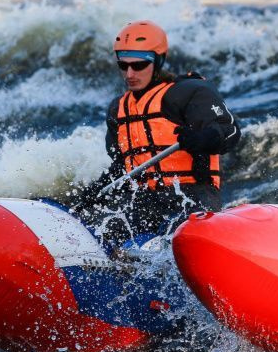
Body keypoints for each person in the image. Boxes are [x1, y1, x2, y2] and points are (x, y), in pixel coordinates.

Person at [71, 20, 241, 245]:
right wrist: (93, 194)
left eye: (139, 65)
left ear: (158, 61)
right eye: (123, 65)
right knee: (102, 238)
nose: (130, 73)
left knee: (174, 239)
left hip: (193, 196)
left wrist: (202, 139)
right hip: (144, 201)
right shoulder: (118, 109)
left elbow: (231, 132)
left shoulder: (187, 92)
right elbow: (122, 167)